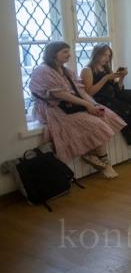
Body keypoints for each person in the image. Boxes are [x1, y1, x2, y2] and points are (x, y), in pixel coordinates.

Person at [28, 41, 124, 178]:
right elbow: (61, 94)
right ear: (53, 54)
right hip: (54, 109)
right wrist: (87, 105)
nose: (69, 55)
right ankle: (105, 163)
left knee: (105, 115)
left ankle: (91, 154)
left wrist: (94, 104)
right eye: (65, 52)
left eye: (69, 51)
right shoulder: (43, 71)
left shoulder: (66, 71)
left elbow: (81, 91)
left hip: (71, 105)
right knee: (97, 125)